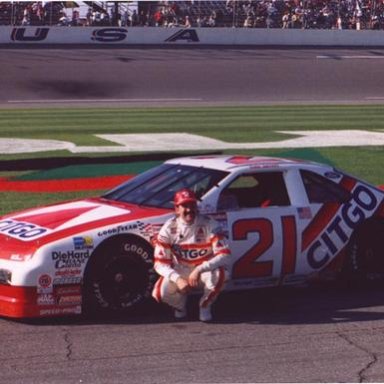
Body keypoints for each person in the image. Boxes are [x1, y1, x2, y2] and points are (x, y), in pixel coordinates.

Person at [152, 188, 232, 322]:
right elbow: (160, 263)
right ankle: (180, 306)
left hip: (203, 271)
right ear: (177, 209)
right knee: (159, 293)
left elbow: (225, 255)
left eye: (192, 205)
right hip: (181, 270)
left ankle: (204, 306)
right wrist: (177, 279)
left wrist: (199, 269)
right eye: (185, 206)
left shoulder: (210, 224)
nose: (189, 209)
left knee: (221, 275)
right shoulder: (168, 228)